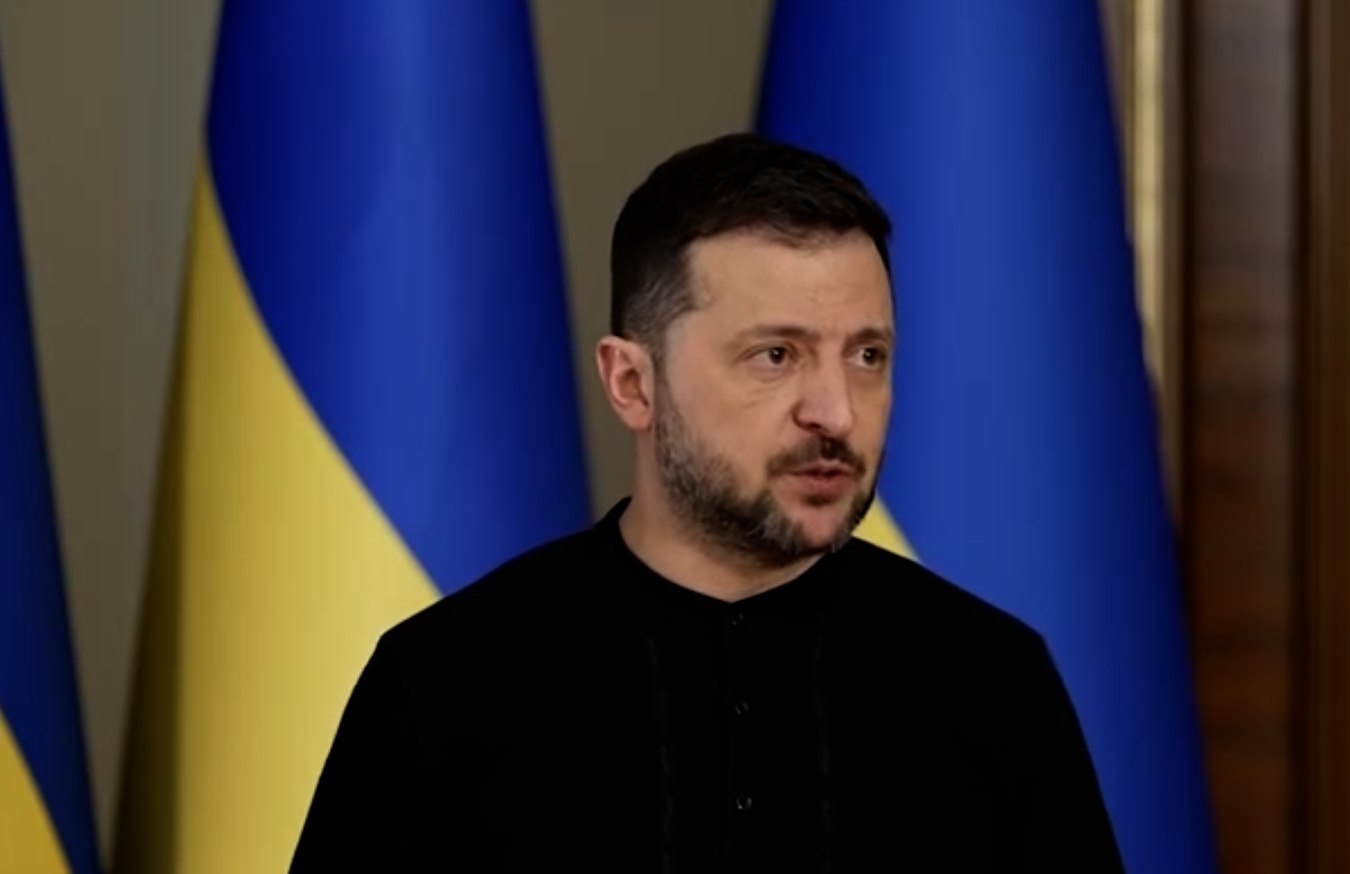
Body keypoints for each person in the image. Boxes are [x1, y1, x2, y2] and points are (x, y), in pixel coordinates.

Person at [289, 132, 1125, 872]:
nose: (835, 412)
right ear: (632, 383)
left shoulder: (991, 682)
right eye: (776, 355)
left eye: (867, 356)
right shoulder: (443, 682)